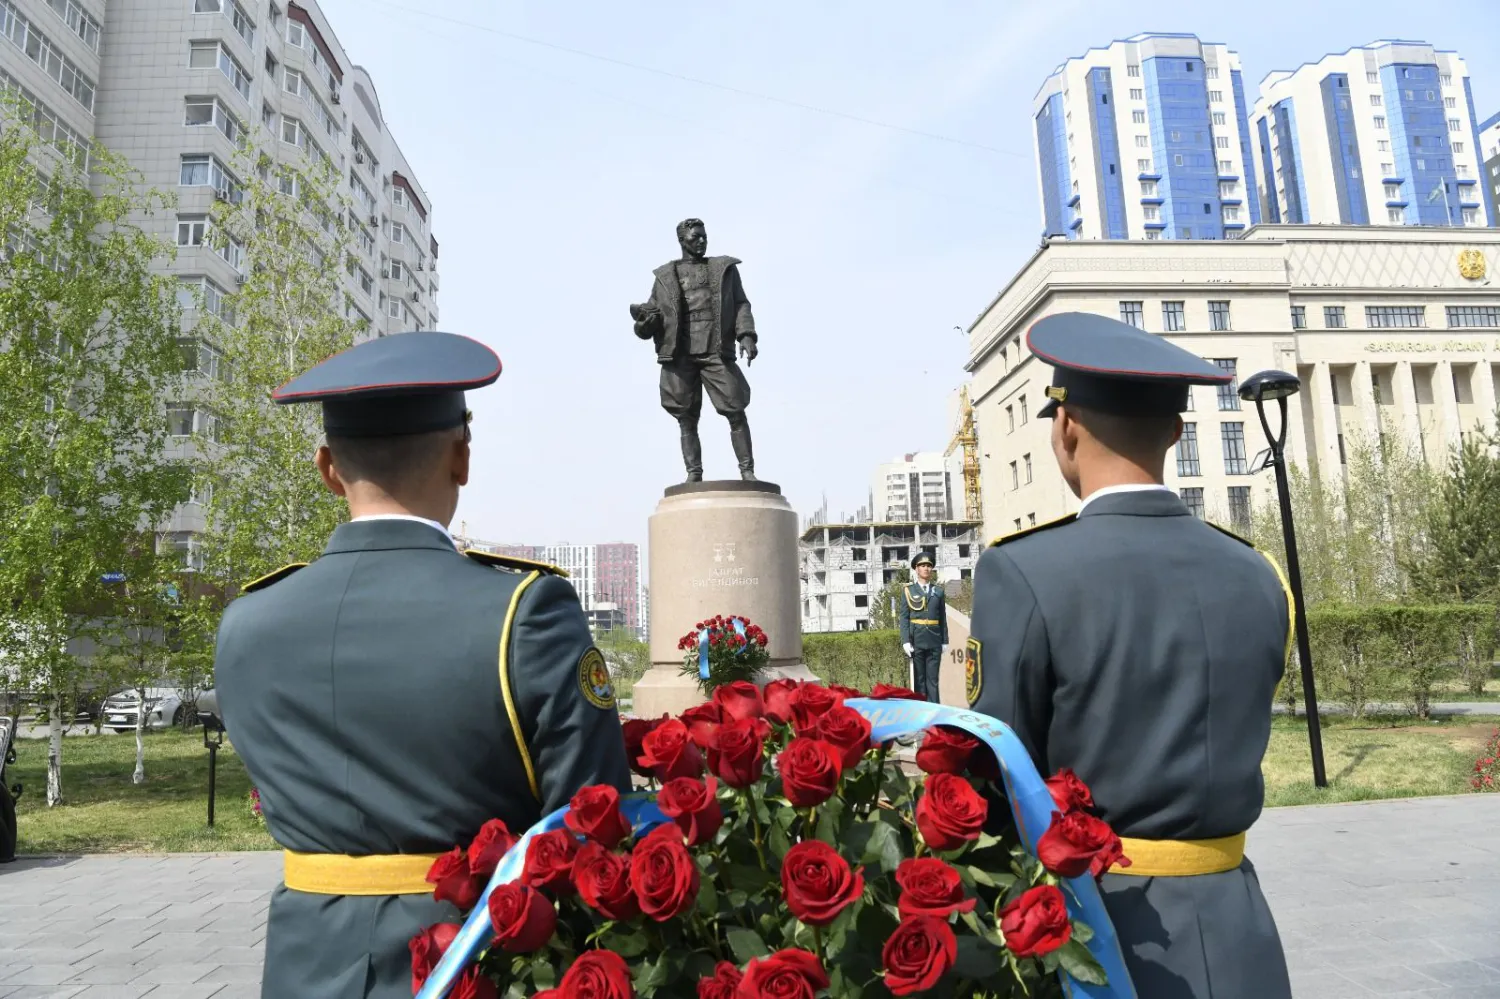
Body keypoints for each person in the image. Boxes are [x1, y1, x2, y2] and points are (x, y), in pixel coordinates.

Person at [213, 332, 631, 999]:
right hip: (474, 962)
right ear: (461, 456)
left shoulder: (247, 622)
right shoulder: (524, 611)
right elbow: (598, 811)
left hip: (302, 965)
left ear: (326, 467)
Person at [966, 312, 1293, 999]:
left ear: (1065, 426)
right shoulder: (1258, 572)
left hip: (1101, 936)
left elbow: (992, 784)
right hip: (1241, 933)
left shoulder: (1024, 571)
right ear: (1176, 431)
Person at [630, 218, 760, 482]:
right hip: (680, 354)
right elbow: (649, 321)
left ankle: (748, 471)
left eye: (704, 236)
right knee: (686, 418)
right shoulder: (665, 276)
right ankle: (694, 473)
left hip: (715, 350)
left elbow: (740, 304)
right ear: (682, 241)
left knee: (735, 409)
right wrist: (645, 323)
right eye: (695, 237)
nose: (701, 241)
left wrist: (746, 335)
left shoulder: (723, 269)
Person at [897, 552, 947, 702]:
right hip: (916, 640)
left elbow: (942, 618)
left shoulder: (938, 591)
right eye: (923, 566)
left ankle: (935, 714)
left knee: (933, 681)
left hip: (934, 640)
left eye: (929, 566)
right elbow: (904, 618)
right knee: (919, 681)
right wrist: (905, 641)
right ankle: (920, 713)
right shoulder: (908, 591)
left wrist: (945, 641)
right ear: (916, 569)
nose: (926, 568)